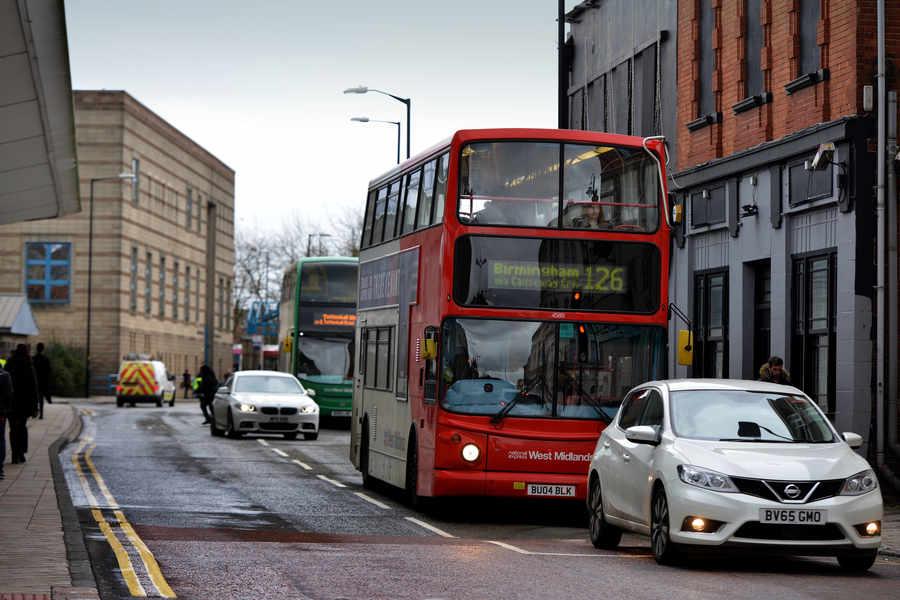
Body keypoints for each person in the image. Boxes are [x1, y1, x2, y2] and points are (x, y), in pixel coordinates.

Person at [5, 344, 38, 464]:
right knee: (22, 427)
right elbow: (33, 387)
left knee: (13, 428)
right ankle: (21, 452)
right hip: (24, 403)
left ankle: (14, 454)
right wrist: (35, 406)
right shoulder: (28, 364)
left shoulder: (9, 364)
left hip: (11, 402)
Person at [32, 342, 52, 419]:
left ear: (37, 348)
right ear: (43, 349)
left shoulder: (33, 358)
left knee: (34, 397)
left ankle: (35, 412)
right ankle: (41, 414)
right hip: (42, 381)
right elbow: (48, 371)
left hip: (35, 380)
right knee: (41, 398)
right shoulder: (46, 359)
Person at [0, 362, 13, 480]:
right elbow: (9, 395)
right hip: (1, 413)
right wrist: (6, 411)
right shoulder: (5, 375)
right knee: (0, 439)